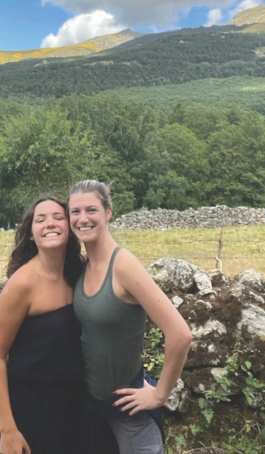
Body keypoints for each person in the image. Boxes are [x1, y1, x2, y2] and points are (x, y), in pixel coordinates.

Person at [70, 180, 192, 454]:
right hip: (96, 412)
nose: (82, 219)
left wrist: (160, 394)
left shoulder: (123, 265)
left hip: (130, 418)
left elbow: (180, 334)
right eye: (74, 212)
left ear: (108, 212)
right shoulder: (85, 264)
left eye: (91, 210)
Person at [0, 195, 88, 454]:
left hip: (71, 411)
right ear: (31, 234)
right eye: (40, 220)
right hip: (26, 412)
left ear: (70, 227)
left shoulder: (80, 272)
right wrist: (8, 430)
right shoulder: (23, 284)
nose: (50, 224)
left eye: (58, 217)